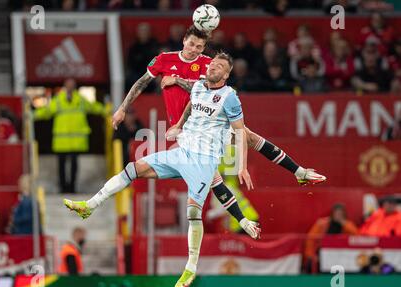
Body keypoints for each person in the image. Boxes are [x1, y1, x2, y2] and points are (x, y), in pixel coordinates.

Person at [111, 25, 325, 239]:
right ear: (184, 40)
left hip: (207, 121)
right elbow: (141, 82)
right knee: (213, 178)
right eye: (192, 44)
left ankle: (298, 173)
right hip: (186, 129)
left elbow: (211, 88)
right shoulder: (165, 59)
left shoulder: (208, 64)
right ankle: (242, 220)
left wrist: (177, 81)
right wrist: (121, 109)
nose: (195, 49)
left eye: (200, 46)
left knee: (246, 138)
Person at [64, 53, 254, 287]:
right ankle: (90, 206)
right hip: (182, 152)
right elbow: (189, 106)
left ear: (226, 74)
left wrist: (242, 166)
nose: (213, 65)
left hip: (204, 161)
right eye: (213, 62)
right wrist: (178, 125)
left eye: (220, 66)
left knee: (193, 213)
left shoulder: (230, 97)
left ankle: (190, 268)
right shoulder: (197, 87)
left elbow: (240, 132)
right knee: (134, 168)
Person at [34, 78, 106, 193]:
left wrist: (108, 110)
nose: (70, 87)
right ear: (64, 86)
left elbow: (94, 107)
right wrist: (33, 115)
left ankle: (72, 187)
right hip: (62, 141)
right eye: (68, 85)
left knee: (74, 166)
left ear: (75, 87)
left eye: (72, 85)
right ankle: (63, 188)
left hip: (76, 141)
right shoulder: (58, 100)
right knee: (61, 166)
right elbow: (47, 111)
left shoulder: (81, 100)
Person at [304, 203, 358, 273]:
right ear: (332, 214)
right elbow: (310, 240)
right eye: (337, 213)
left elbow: (356, 235)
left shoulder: (347, 225)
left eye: (340, 214)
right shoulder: (322, 224)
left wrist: (343, 222)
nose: (338, 215)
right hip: (322, 254)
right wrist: (311, 255)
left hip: (341, 255)